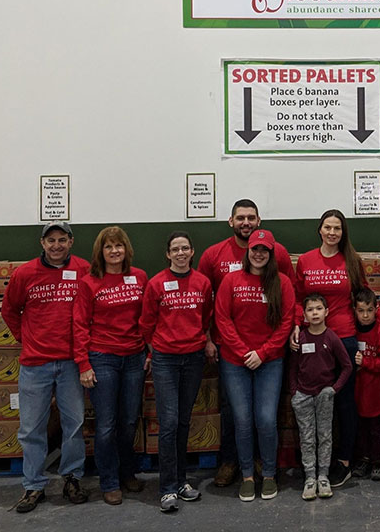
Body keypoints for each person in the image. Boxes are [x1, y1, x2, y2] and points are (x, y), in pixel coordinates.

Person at [197, 199, 295, 488]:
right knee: (238, 418)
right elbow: (217, 313)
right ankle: (241, 471)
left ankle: (267, 470)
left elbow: (286, 318)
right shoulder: (224, 270)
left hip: (269, 358)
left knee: (266, 418)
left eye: (251, 217)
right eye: (240, 217)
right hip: (233, 358)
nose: (246, 222)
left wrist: (263, 353)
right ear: (232, 222)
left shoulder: (281, 280)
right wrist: (238, 350)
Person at [293, 209, 380, 488]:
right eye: (328, 227)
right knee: (316, 398)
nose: (332, 232)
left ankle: (345, 461)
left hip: (346, 338)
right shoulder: (306, 260)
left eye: (337, 228)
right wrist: (295, 325)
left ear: (343, 232)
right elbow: (298, 299)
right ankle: (314, 461)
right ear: (320, 230)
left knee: (345, 402)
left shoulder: (352, 260)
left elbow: (365, 295)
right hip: (314, 339)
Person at [2, 222, 90, 513]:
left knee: (74, 425)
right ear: (42, 243)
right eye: (51, 240)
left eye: (62, 239)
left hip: (71, 363)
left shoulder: (84, 270)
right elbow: (10, 310)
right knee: (31, 429)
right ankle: (33, 485)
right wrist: (24, 338)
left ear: (71, 241)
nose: (56, 245)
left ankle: (72, 478)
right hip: (35, 364)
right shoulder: (24, 274)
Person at [73, 226, 148, 506]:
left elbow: (148, 317)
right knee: (106, 425)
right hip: (102, 358)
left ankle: (127, 472)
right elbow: (79, 324)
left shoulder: (139, 277)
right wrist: (83, 364)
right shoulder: (89, 282)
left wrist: (148, 351)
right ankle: (109, 481)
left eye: (119, 246)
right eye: (108, 247)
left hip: (135, 357)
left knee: (128, 422)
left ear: (126, 249)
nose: (114, 251)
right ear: (100, 252)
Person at [139, 231, 214, 513]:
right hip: (165, 361)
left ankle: (182, 482)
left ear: (192, 252)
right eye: (175, 249)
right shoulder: (157, 283)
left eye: (185, 248)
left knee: (183, 421)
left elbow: (206, 316)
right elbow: (146, 322)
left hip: (193, 358)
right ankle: (167, 488)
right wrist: (155, 350)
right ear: (168, 254)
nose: (181, 253)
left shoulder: (202, 282)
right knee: (168, 423)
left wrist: (203, 341)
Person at [288, 293, 352, 500]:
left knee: (324, 436)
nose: (314, 313)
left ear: (326, 312)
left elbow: (347, 366)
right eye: (310, 309)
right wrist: (294, 392)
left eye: (318, 309)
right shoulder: (300, 338)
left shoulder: (332, 338)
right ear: (304, 314)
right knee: (307, 438)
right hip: (303, 396)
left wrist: (333, 389)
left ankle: (323, 476)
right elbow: (292, 368)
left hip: (325, 395)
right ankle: (309, 477)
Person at [350, 288, 380, 482]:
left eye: (369, 310)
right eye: (361, 311)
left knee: (376, 430)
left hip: (374, 392)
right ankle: (363, 460)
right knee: (359, 430)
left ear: (376, 309)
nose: (365, 315)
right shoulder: (351, 331)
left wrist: (365, 362)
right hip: (355, 391)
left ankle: (378, 462)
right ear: (354, 311)